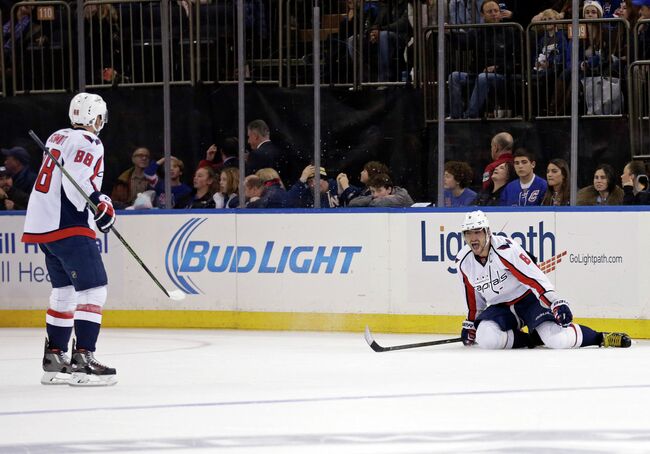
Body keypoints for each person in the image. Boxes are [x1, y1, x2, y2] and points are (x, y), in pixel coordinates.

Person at [21, 92, 118, 386]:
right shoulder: (89, 141)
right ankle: (83, 359)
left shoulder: (58, 136)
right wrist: (100, 202)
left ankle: (55, 359)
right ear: (95, 118)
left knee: (64, 291)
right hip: (70, 224)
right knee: (94, 288)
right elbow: (77, 182)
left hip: (45, 226)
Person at [455, 210, 631, 350]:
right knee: (486, 338)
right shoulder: (464, 261)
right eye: (468, 233)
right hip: (501, 308)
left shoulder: (505, 250)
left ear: (487, 232)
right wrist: (471, 323)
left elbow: (534, 278)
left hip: (528, 300)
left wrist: (555, 302)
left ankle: (601, 337)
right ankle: (531, 340)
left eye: (477, 232)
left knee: (557, 340)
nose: (473, 238)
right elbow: (473, 296)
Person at [447, 0, 521, 118]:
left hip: (502, 75)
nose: (493, 14)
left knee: (483, 77)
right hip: (477, 72)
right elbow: (462, 44)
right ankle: (455, 116)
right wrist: (449, 33)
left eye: (496, 11)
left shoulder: (511, 31)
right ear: (483, 15)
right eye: (489, 11)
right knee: (454, 76)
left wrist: (498, 67)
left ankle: (471, 115)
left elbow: (518, 60)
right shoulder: (479, 31)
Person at [348, 173, 414, 207]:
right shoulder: (375, 198)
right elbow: (352, 203)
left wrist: (371, 201)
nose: (375, 195)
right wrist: (372, 200)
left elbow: (379, 203)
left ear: (389, 189)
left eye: (379, 190)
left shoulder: (402, 195)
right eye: (372, 191)